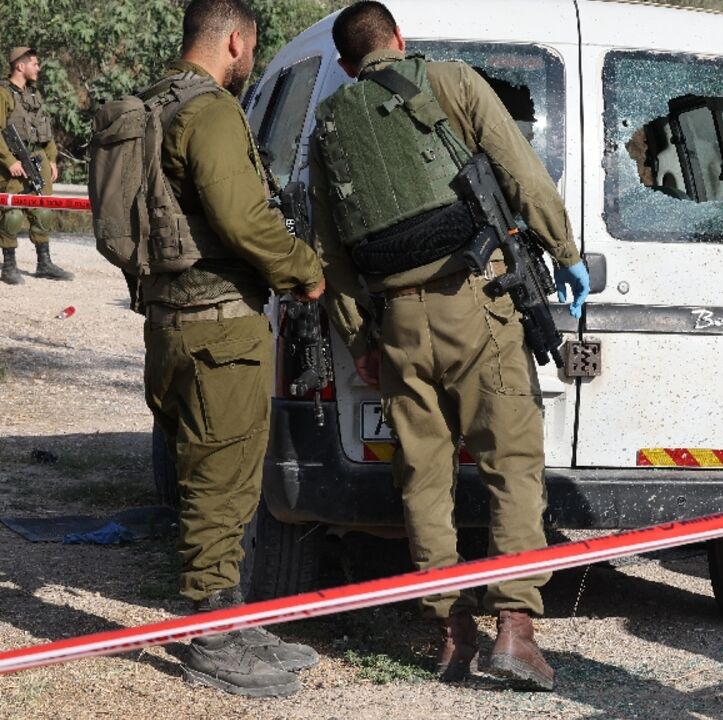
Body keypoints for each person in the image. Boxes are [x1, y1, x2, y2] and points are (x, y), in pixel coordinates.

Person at [308, 1, 590, 692]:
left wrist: (360, 337)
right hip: (478, 304)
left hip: (397, 323)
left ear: (347, 63)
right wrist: (564, 248)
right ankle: (515, 631)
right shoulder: (453, 82)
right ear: (400, 42)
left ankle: (451, 635)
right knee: (512, 462)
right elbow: (522, 172)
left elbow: (331, 254)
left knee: (423, 477)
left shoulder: (330, 126)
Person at [120, 0, 326, 698]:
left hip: (170, 323)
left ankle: (233, 618)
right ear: (234, 41)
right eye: (250, 50)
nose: (248, 64)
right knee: (223, 483)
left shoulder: (153, 103)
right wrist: (305, 269)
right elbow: (243, 216)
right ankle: (212, 632)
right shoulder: (209, 111)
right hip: (218, 332)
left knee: (208, 474)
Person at [0, 47, 73, 284]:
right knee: (11, 215)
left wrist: (51, 158)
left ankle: (44, 263)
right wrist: (10, 161)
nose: (38, 68)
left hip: (37, 160)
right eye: (35, 64)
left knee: (42, 210)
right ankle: (9, 266)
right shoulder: (3, 94)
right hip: (11, 164)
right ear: (20, 66)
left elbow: (45, 131)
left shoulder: (34, 95)